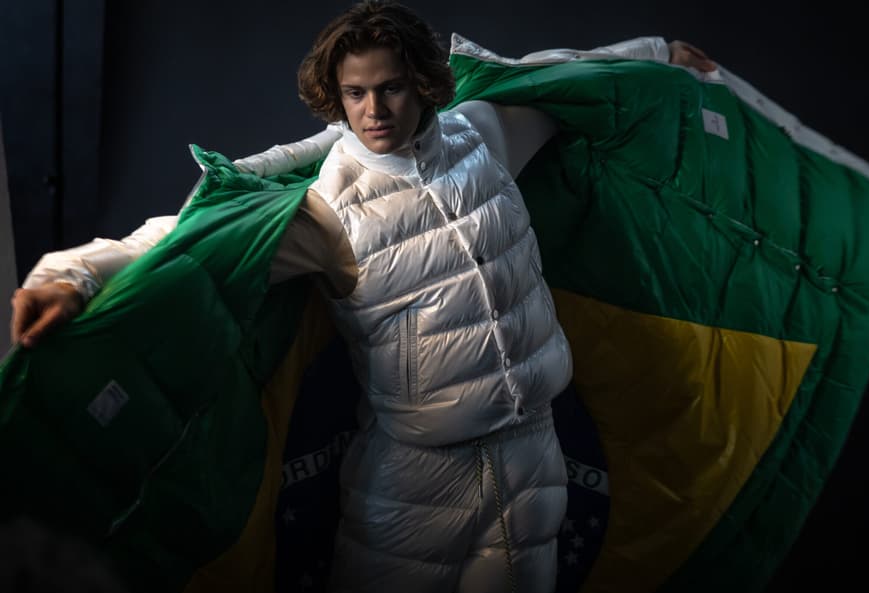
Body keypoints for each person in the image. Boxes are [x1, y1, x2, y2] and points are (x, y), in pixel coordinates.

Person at [7, 2, 716, 591]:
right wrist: (71, 274)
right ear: (336, 96)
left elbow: (552, 79)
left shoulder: (485, 136)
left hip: (534, 455)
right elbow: (191, 242)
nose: (374, 108)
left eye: (391, 87)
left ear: (424, 84)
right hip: (416, 480)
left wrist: (653, 54)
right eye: (355, 92)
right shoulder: (327, 211)